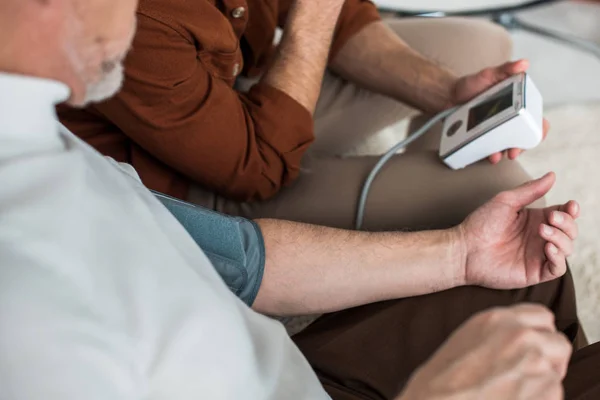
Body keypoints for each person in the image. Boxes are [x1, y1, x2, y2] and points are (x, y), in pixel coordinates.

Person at [2, 1, 600, 399]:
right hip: (235, 172)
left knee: (524, 278)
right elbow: (256, 168)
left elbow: (240, 260)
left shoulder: (46, 140)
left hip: (295, 370)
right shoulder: (31, 310)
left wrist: (460, 253)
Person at [57, 0, 550, 232]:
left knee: (481, 46)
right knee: (500, 189)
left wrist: (447, 93)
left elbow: (345, 19)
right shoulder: (132, 17)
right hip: (180, 186)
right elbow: (259, 169)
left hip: (231, 94)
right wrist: (315, 13)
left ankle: (428, 179)